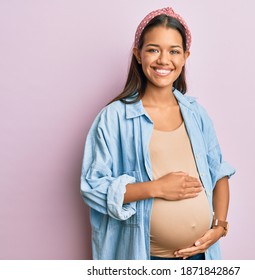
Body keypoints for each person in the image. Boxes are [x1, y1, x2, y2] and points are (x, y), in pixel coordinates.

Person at [80, 7, 235, 260]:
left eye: (174, 51)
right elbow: (92, 186)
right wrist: (156, 188)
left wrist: (219, 227)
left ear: (185, 56)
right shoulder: (115, 117)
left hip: (200, 257)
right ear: (138, 55)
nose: (164, 60)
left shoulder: (196, 114)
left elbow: (219, 173)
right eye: (153, 49)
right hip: (144, 257)